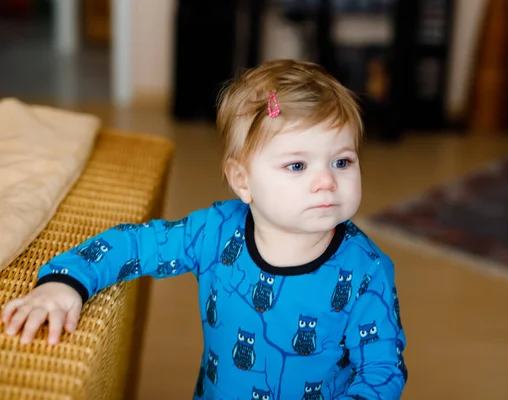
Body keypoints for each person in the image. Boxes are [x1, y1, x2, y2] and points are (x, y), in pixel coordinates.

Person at [2, 59, 407, 399]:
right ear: (243, 180)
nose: (327, 182)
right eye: (297, 165)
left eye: (342, 162)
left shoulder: (366, 271)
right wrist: (65, 281)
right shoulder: (215, 232)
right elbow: (135, 244)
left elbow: (382, 372)